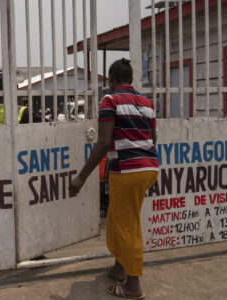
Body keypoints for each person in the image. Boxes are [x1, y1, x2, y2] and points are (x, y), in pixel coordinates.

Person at [69, 58, 159, 299]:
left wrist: (81, 177)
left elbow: (103, 142)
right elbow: (153, 138)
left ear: (111, 80)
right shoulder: (147, 103)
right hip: (148, 168)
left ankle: (133, 286)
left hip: (128, 172)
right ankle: (120, 269)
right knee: (120, 220)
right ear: (130, 79)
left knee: (127, 226)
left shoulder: (111, 100)